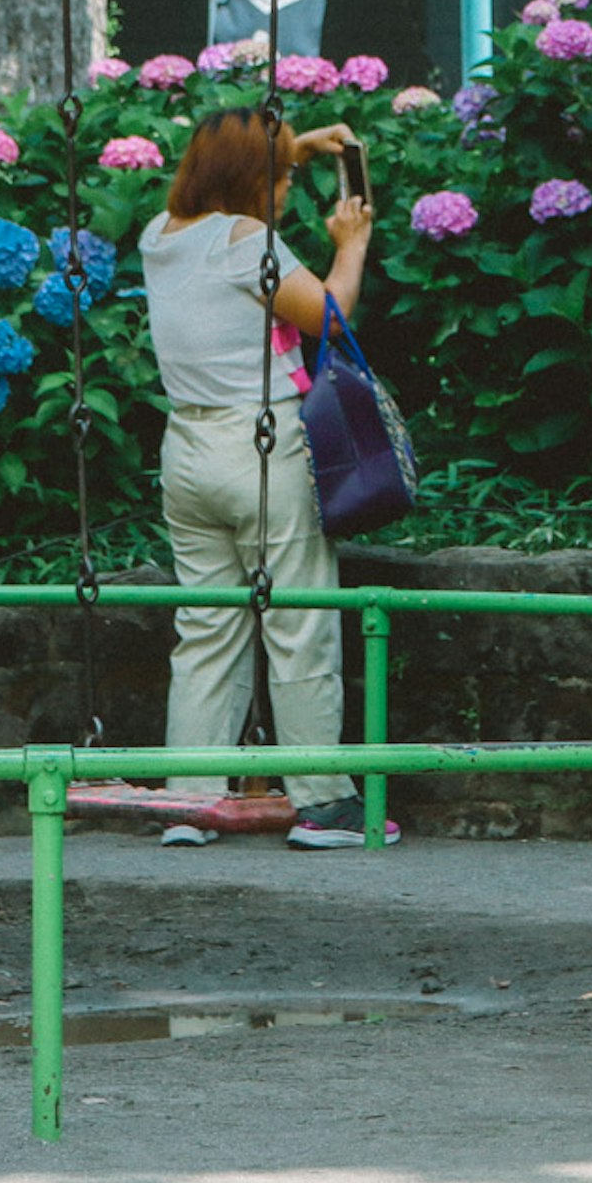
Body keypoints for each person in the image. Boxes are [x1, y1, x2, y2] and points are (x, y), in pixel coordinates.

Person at [136, 106, 384, 851]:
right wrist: (352, 243)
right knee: (298, 620)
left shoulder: (160, 236)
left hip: (187, 448)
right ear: (250, 181)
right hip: (262, 443)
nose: (285, 190)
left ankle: (191, 798)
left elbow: (222, 192)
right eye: (278, 177)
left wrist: (295, 145)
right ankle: (323, 803)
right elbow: (331, 316)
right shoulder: (251, 244)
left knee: (206, 626)